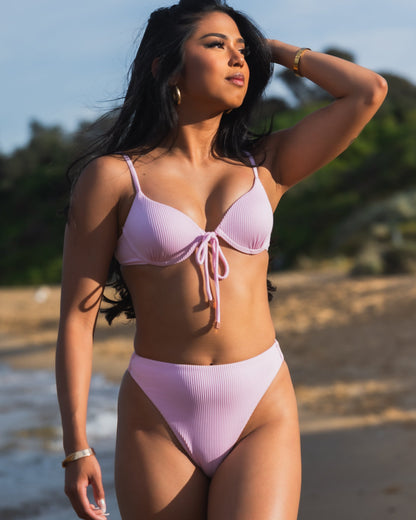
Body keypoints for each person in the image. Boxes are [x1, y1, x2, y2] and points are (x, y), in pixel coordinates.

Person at [55, 0, 387, 518]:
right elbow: (77, 322)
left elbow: (368, 91)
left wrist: (270, 51)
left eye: (242, 49)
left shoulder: (268, 166)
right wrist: (77, 448)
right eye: (216, 45)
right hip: (158, 411)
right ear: (165, 68)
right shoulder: (114, 178)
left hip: (260, 403)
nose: (238, 59)